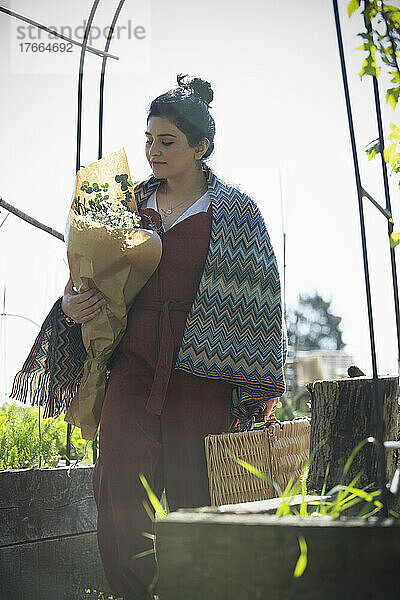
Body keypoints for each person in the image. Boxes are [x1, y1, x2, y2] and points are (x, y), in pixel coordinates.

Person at [12, 74, 287, 600]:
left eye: (167, 142)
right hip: (132, 374)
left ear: (200, 147)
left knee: (196, 505)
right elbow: (81, 281)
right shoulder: (119, 204)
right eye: (148, 140)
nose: (152, 152)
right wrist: (71, 305)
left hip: (202, 383)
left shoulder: (237, 213)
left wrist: (247, 387)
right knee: (119, 495)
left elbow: (259, 305)